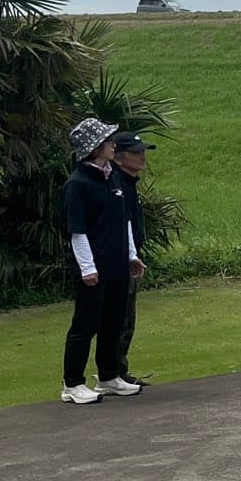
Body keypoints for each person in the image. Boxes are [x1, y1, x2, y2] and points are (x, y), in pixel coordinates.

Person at [60, 118, 142, 405]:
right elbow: (77, 231)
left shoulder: (114, 179)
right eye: (107, 141)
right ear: (95, 148)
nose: (112, 145)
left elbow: (125, 221)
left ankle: (108, 376)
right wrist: (87, 268)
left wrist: (132, 255)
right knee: (86, 325)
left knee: (113, 321)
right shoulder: (78, 184)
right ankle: (73, 383)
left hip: (117, 263)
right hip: (93, 268)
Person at [111, 133, 154, 387]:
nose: (142, 156)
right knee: (120, 317)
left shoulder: (128, 182)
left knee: (127, 316)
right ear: (120, 156)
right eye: (136, 152)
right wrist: (130, 255)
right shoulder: (117, 183)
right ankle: (113, 372)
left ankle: (119, 370)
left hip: (131, 254)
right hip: (121, 258)